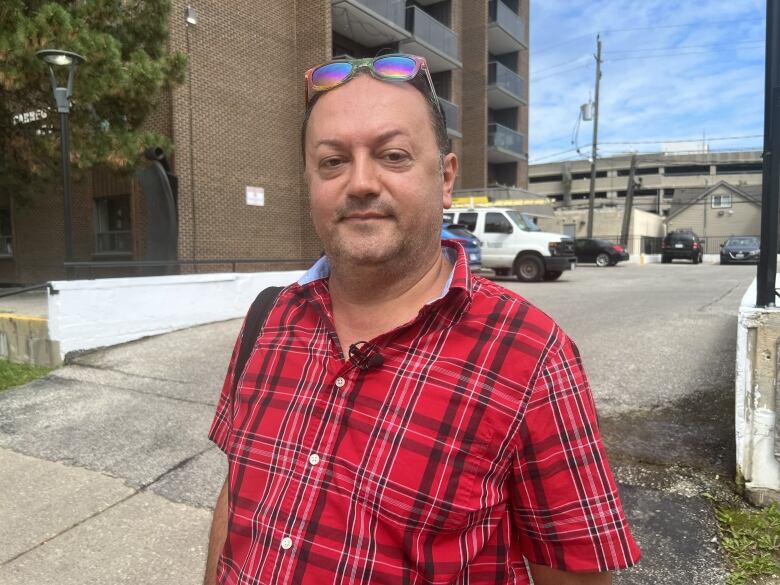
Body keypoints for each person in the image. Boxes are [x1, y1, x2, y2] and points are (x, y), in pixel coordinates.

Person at [204, 53, 640, 585]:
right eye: (332, 161)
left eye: (392, 156)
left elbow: (574, 577)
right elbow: (237, 494)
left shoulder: (531, 358)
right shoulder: (268, 319)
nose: (360, 182)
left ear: (446, 177)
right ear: (309, 183)